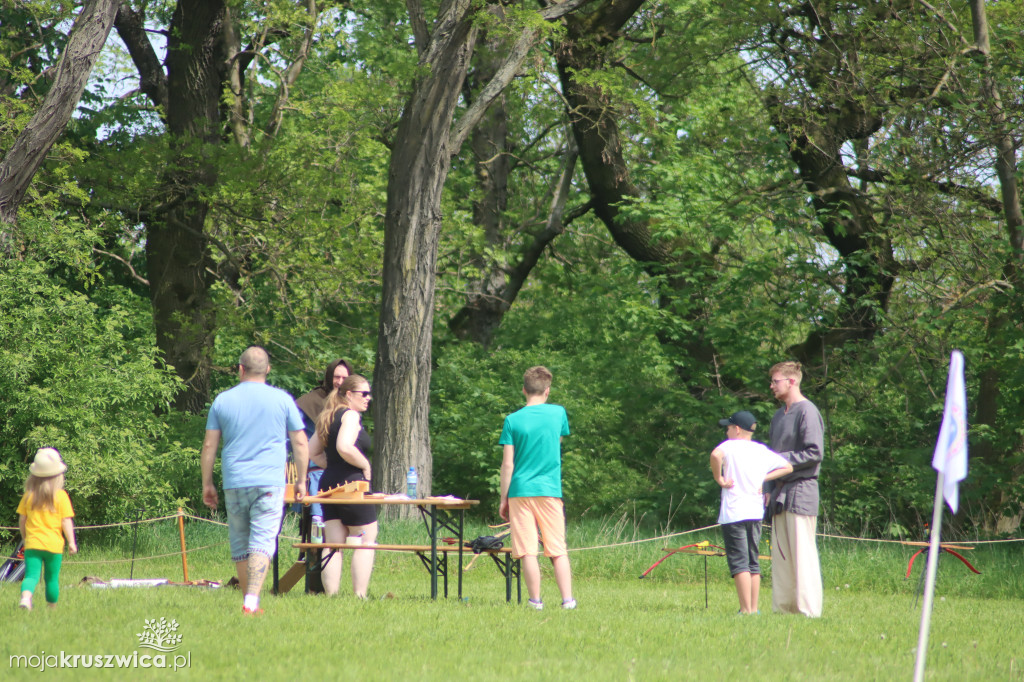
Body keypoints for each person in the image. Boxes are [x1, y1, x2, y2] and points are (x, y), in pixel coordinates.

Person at [201, 346, 309, 615]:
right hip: (269, 482)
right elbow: (300, 441)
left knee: (240, 539)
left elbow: (209, 446)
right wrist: (301, 480)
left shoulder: (223, 400)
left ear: (240, 369)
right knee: (262, 539)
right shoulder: (283, 400)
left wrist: (207, 483)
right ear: (268, 370)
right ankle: (251, 602)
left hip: (234, 481)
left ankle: (249, 602)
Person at [498, 366, 575, 610]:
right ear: (547, 391)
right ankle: (568, 601)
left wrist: (503, 499)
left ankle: (535, 601)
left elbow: (508, 464)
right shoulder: (558, 413)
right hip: (550, 489)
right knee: (557, 549)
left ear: (524, 390)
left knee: (528, 551)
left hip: (520, 491)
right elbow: (558, 441)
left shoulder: (512, 420)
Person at [710, 411, 792, 614]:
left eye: (728, 428)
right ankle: (754, 608)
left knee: (739, 562)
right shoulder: (760, 450)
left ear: (737, 429)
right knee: (753, 560)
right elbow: (787, 467)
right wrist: (764, 478)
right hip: (755, 512)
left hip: (734, 512)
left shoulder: (729, 445)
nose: (727, 431)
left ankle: (746, 610)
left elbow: (714, 456)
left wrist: (719, 479)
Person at [307, 374, 377, 597]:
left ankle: (332, 596)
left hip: (329, 483)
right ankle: (359, 595)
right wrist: (365, 465)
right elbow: (344, 446)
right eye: (363, 394)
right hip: (351, 485)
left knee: (334, 543)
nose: (368, 398)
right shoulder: (350, 416)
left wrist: (332, 465)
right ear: (349, 395)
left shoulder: (328, 415)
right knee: (366, 539)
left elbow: (311, 452)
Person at [765, 361, 825, 617]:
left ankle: (808, 611)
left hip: (801, 490)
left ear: (792, 381)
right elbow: (769, 457)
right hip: (778, 494)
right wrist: (767, 486)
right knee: (781, 557)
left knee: (802, 555)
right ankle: (784, 609)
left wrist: (782, 461)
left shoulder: (807, 411)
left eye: (775, 381)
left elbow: (814, 452)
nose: (771, 386)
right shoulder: (779, 415)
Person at [16, 448, 77, 610]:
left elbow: (23, 519)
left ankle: (26, 598)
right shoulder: (61, 496)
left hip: (32, 544)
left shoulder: (29, 495)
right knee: (51, 579)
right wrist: (71, 542)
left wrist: (25, 536)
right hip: (54, 546)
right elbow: (66, 521)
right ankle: (52, 608)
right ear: (58, 475)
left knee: (31, 576)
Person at [294, 359, 352, 528]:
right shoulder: (310, 401)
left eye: (344, 378)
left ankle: (331, 552)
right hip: (316, 470)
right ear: (328, 377)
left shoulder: (350, 403)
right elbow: (291, 432)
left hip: (342, 471)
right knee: (317, 524)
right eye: (336, 377)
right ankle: (311, 552)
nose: (340, 382)